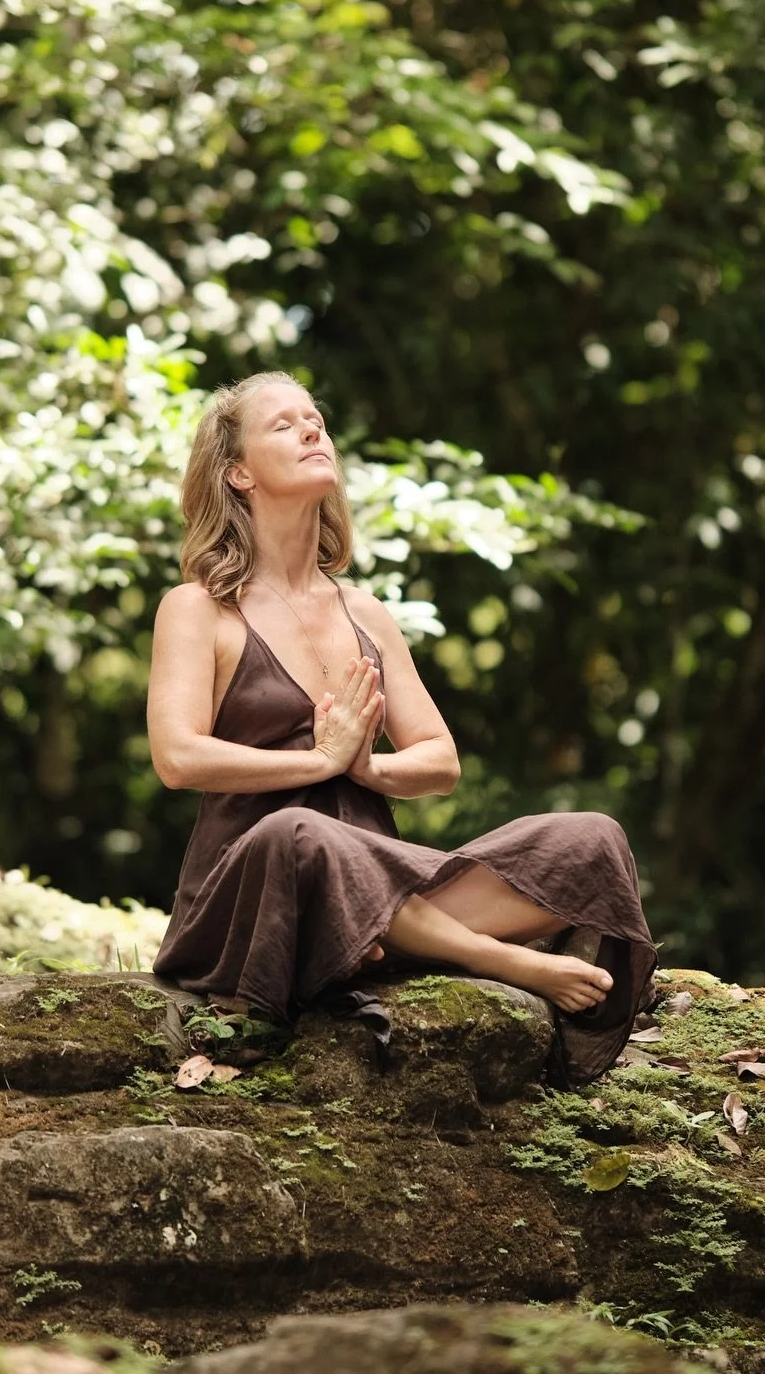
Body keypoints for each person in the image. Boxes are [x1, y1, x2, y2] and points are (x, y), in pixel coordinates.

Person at [147, 371, 657, 1085]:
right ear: (237, 472)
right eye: (284, 424)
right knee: (300, 832)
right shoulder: (198, 608)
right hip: (253, 900)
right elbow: (176, 756)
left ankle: (389, 939)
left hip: (382, 887)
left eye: (315, 418)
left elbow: (439, 758)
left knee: (590, 837)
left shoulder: (365, 612)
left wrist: (366, 770)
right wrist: (318, 762)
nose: (311, 429)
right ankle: (490, 955)